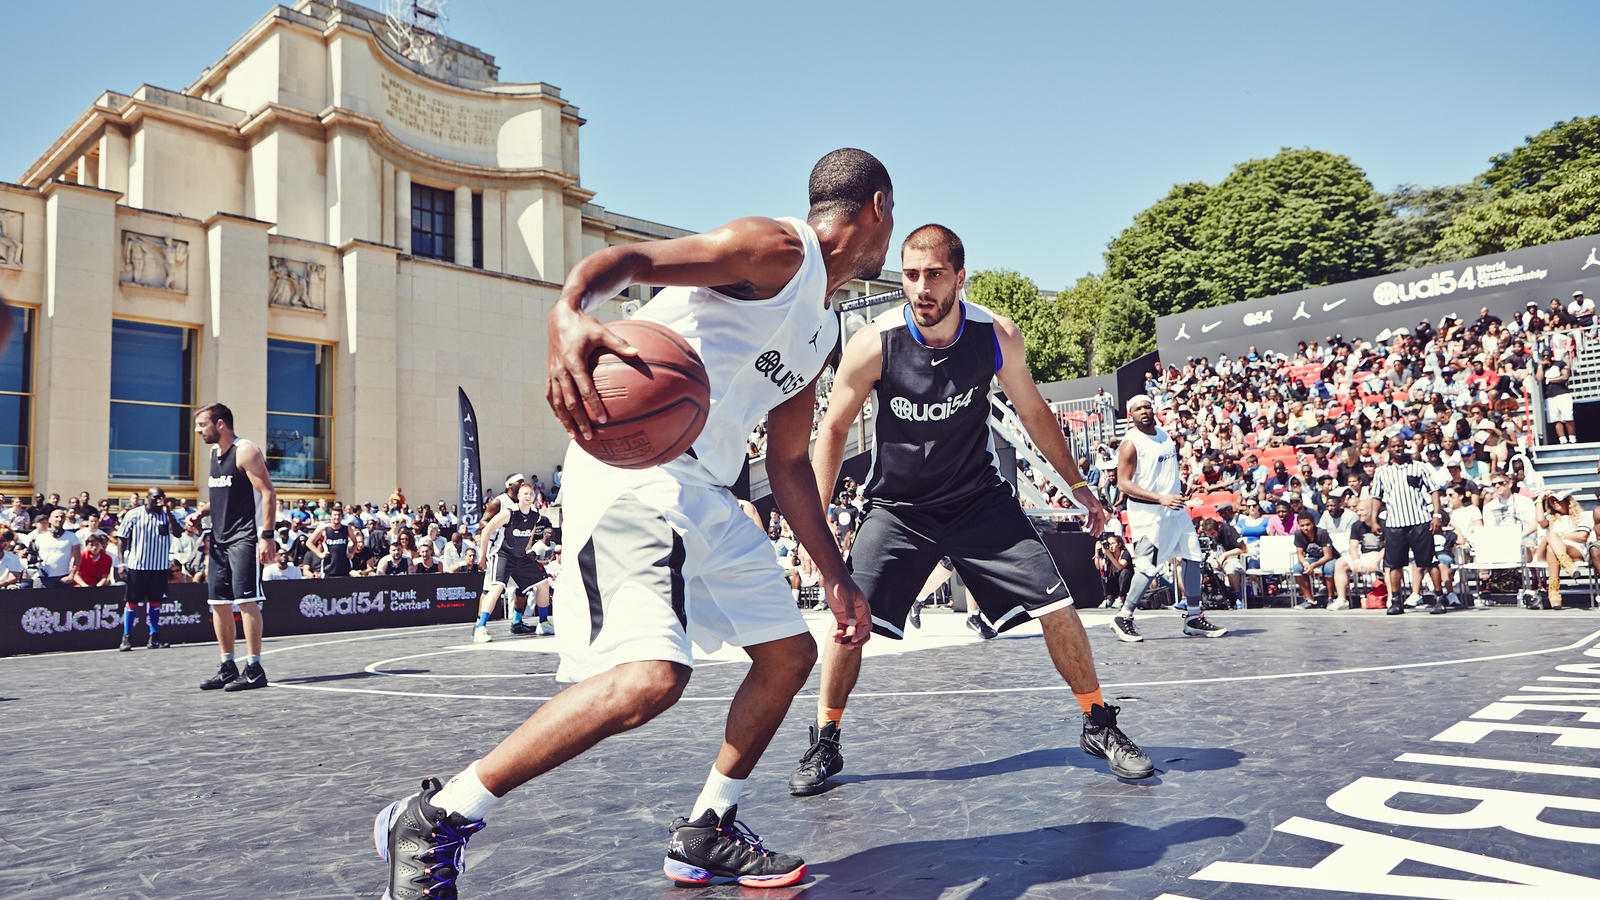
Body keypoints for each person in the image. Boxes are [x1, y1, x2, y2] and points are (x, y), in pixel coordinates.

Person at [376, 148, 893, 895]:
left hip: (709, 488)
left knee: (788, 655)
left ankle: (707, 828)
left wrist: (836, 576)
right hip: (638, 475)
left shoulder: (822, 329)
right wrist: (568, 310)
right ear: (877, 207)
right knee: (651, 679)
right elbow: (632, 259)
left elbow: (786, 464)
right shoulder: (778, 248)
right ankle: (438, 815)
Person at [787, 223, 1150, 796]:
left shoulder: (995, 334)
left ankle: (1098, 722)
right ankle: (825, 739)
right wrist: (816, 526)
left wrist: (1077, 483)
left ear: (960, 278)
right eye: (911, 275)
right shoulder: (874, 342)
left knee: (1058, 605)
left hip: (978, 500)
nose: (921, 288)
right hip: (899, 508)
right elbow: (831, 428)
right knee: (850, 622)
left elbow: (1034, 411)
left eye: (934, 275)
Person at [1112, 395, 1229, 640]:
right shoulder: (1130, 443)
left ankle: (1193, 617)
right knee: (1147, 567)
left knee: (1193, 556)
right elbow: (1123, 484)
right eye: (1138, 409)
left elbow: (1164, 471)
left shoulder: (1164, 435)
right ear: (1130, 415)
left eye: (1147, 407)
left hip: (1175, 509)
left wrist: (1179, 486)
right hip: (1149, 513)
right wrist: (1160, 497)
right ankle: (1124, 616)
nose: (1144, 411)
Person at [193, 403, 278, 692]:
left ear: (220, 424)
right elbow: (223, 494)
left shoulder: (246, 451)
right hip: (218, 538)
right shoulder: (213, 453)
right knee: (218, 604)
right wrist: (201, 512)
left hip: (245, 537)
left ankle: (254, 668)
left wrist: (267, 536)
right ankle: (227, 666)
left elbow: (268, 492)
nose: (197, 431)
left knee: (246, 601)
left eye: (202, 425)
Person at [1370, 434, 1445, 615]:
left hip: (1419, 521)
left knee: (1430, 561)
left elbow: (1434, 490)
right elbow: (1376, 497)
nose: (1398, 449)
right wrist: (1373, 519)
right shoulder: (1381, 472)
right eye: (1394, 446)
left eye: (1400, 445)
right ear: (1389, 448)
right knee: (1394, 565)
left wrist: (1436, 515)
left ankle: (1439, 599)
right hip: (1395, 524)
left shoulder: (1419, 467)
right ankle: (1396, 601)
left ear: (1405, 446)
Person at [471, 481, 551, 640]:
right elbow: (485, 531)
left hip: (520, 557)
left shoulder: (535, 514)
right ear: (518, 496)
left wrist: (528, 547)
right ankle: (480, 628)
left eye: (531, 494)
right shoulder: (509, 513)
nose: (528, 496)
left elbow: (532, 529)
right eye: (525, 493)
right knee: (496, 588)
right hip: (502, 555)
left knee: (544, 584)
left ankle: (544, 623)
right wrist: (482, 556)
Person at [114, 488, 179, 650]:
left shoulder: (167, 515)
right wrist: (121, 564)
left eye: (162, 497)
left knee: (155, 602)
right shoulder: (134, 514)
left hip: (159, 567)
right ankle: (126, 637)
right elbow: (122, 538)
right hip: (138, 566)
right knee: (132, 602)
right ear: (147, 497)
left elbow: (178, 533)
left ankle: (154, 636)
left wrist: (169, 514)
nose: (159, 500)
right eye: (156, 497)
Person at [1535, 491, 1589, 609]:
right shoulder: (1551, 517)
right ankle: (1568, 565)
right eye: (1552, 501)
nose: (1555, 503)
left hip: (1574, 551)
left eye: (1557, 500)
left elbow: (1582, 536)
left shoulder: (1580, 516)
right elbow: (1540, 520)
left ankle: (1554, 593)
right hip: (1544, 554)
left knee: (1551, 547)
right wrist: (1540, 499)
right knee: (1551, 536)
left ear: (1567, 501)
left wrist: (1562, 537)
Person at [1290, 512, 1336, 608]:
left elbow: (1328, 556)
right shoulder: (1298, 534)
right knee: (1297, 568)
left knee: (1328, 568)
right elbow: (1299, 554)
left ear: (1314, 523)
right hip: (1313, 558)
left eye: (1308, 524)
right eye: (1302, 526)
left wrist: (1313, 566)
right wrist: (1306, 564)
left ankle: (1330, 598)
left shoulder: (1322, 533)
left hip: (1329, 558)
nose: (1305, 528)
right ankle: (1309, 600)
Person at [32, 508, 81, 587]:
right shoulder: (40, 537)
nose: (59, 519)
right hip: (42, 578)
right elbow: (32, 555)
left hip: (63, 578)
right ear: (50, 520)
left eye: (62, 517)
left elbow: (77, 557)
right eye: (56, 517)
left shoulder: (72, 536)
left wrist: (72, 575)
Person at [307, 501, 354, 578]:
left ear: (342, 516)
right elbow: (309, 542)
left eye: (339, 515)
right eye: (335, 515)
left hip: (344, 567)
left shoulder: (347, 528)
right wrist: (319, 554)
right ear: (330, 516)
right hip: (328, 568)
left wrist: (352, 553)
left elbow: (355, 542)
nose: (337, 517)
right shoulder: (324, 528)